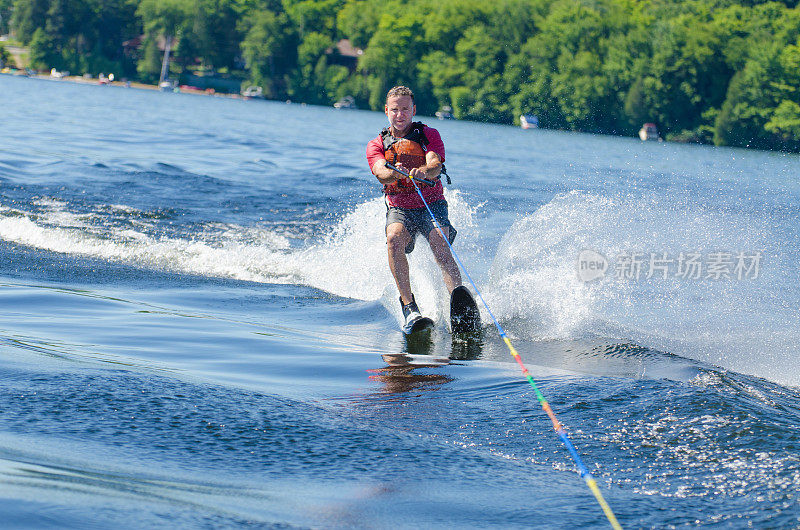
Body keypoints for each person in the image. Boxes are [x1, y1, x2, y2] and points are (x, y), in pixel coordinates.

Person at [366, 86, 462, 332]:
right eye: (395, 110)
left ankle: (459, 303)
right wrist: (393, 172)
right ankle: (410, 308)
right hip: (400, 208)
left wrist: (424, 171)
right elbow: (380, 172)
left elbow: (435, 164)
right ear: (387, 111)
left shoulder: (428, 134)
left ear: (413, 110)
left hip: (432, 204)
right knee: (393, 239)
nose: (400, 115)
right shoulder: (376, 145)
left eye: (405, 109)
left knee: (439, 241)